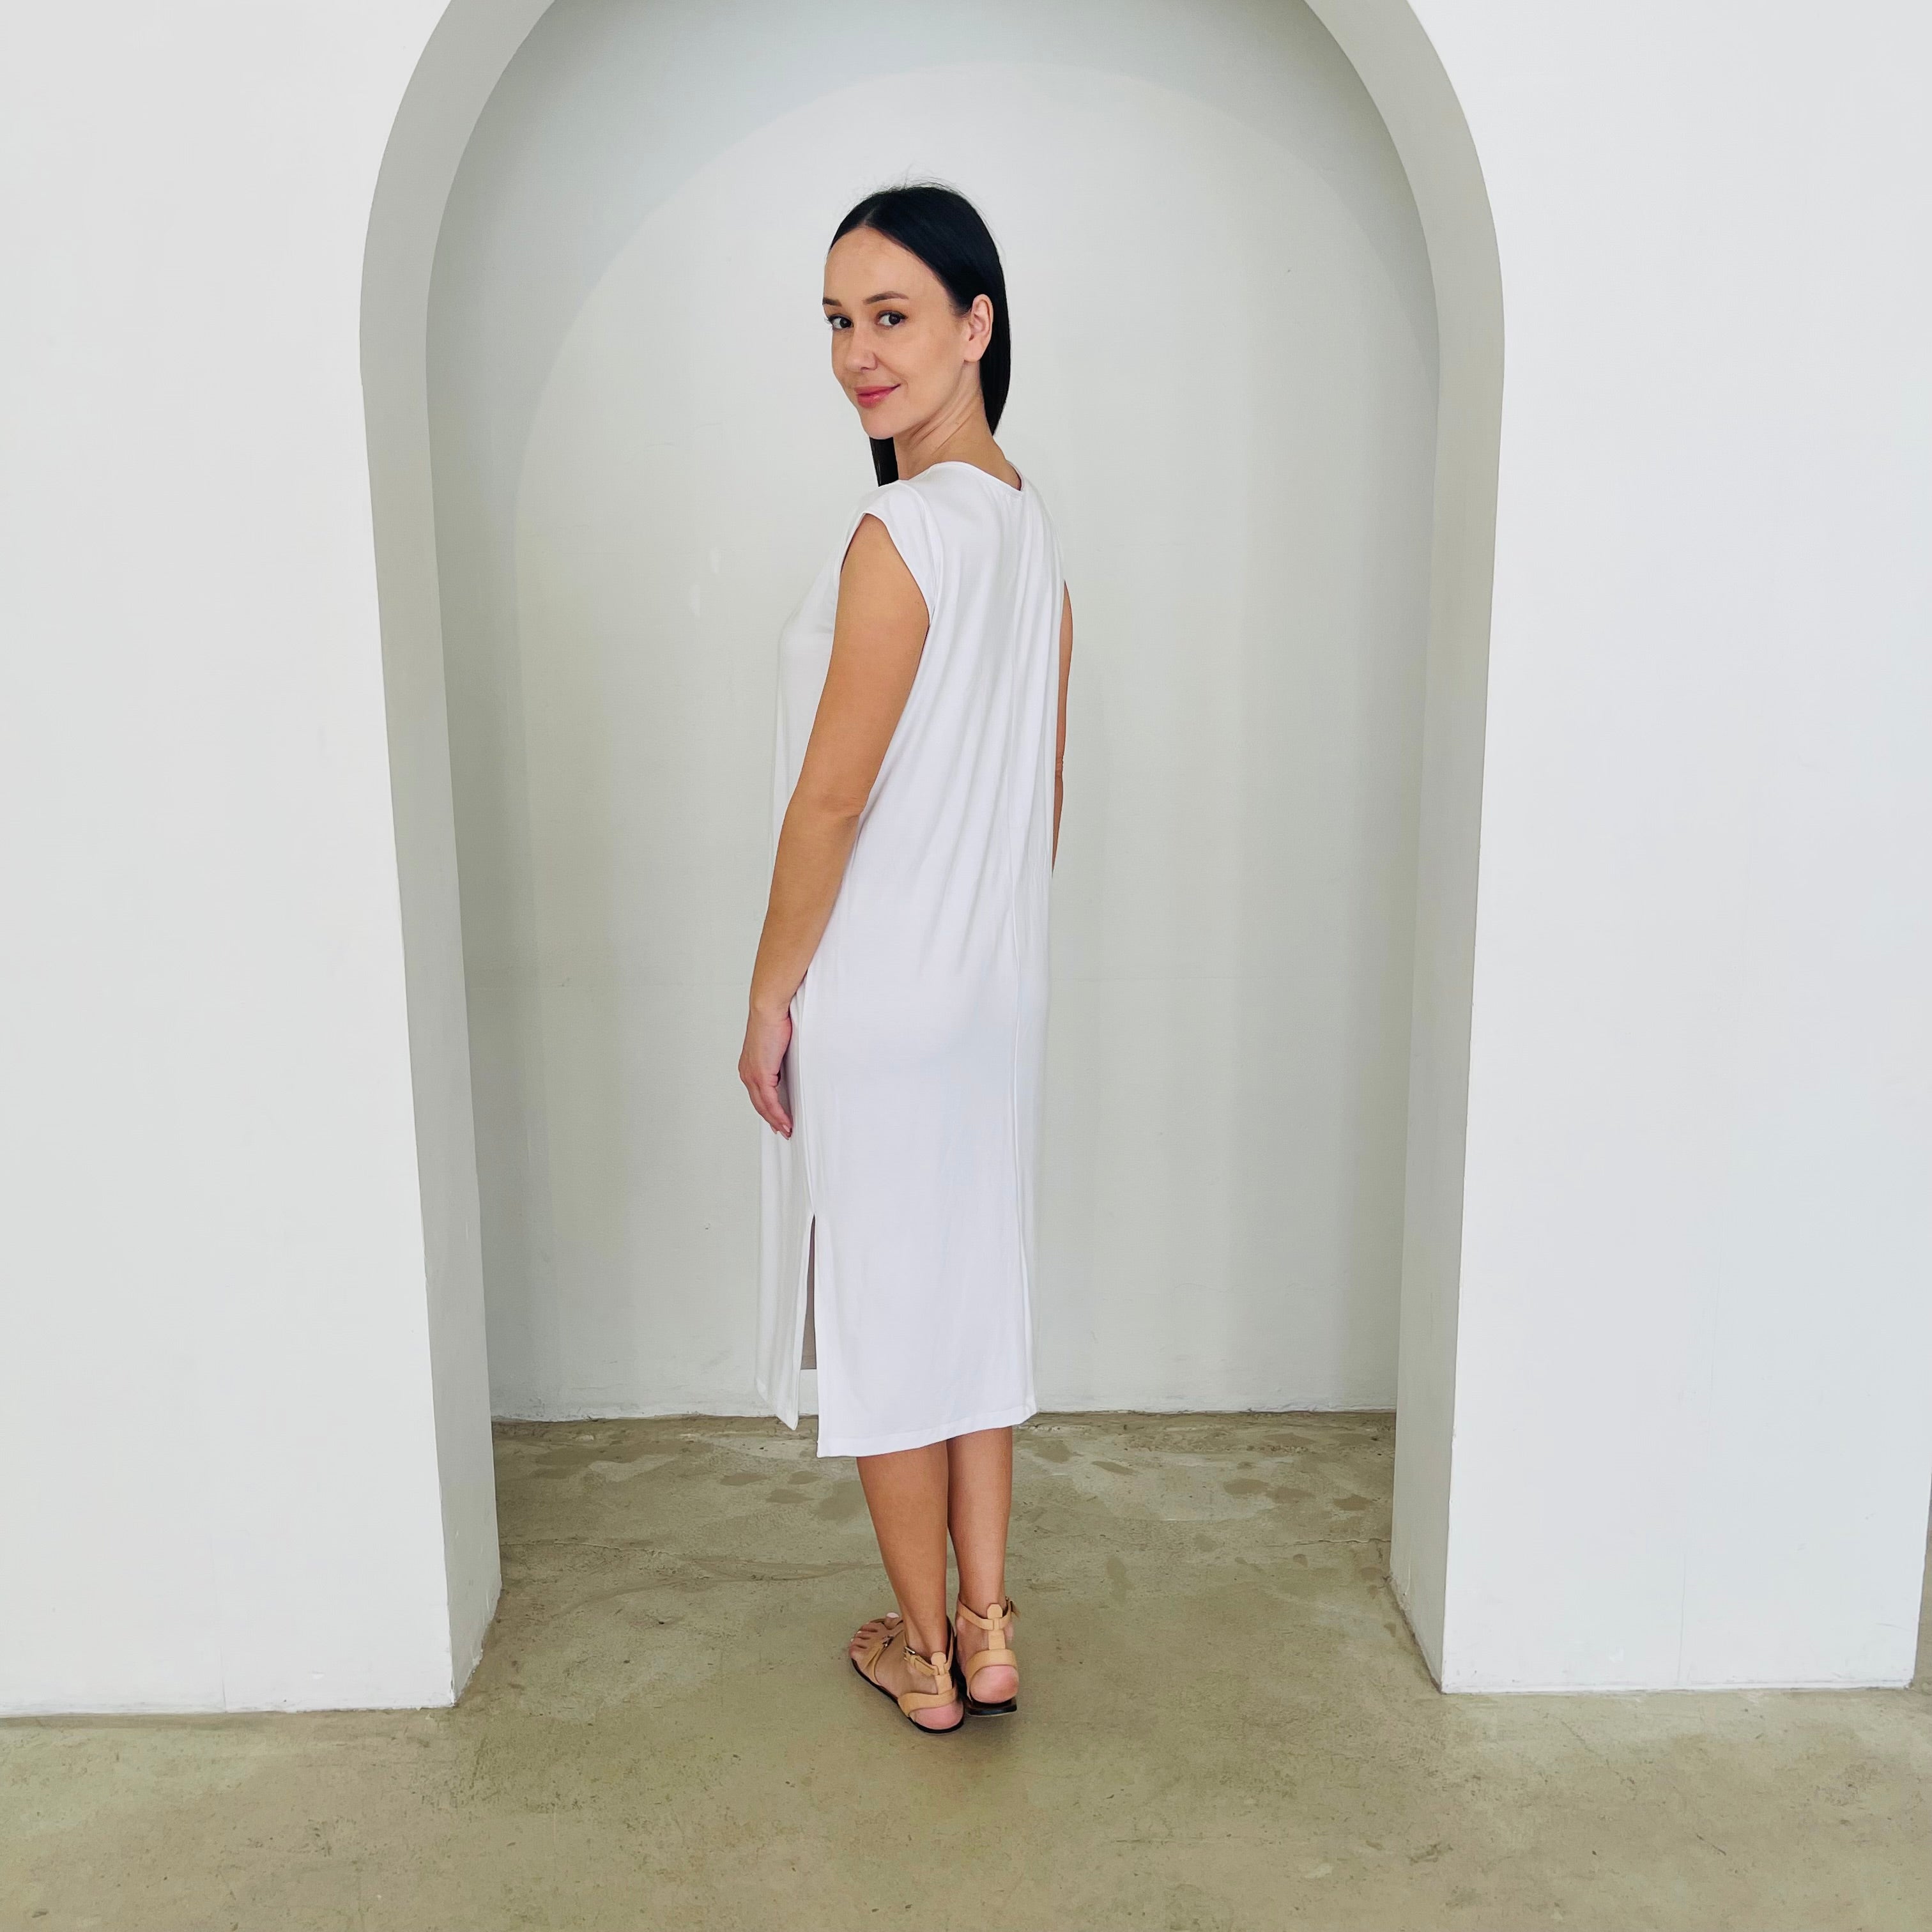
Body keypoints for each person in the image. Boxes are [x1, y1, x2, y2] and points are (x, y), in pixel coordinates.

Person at [739, 182, 1074, 1733]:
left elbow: (832, 792)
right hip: (992, 995)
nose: (856, 354)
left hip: (884, 994)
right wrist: (984, 956)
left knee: (886, 1310)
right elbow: (1040, 803)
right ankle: (994, 1628)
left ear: (975, 327)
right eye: (836, 320)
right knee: (975, 1300)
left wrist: (769, 995)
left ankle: (925, 1656)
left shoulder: (902, 528)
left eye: (890, 316)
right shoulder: (1034, 540)